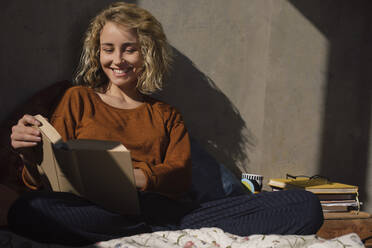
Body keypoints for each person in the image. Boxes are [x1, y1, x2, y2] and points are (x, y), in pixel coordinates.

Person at [7, 2, 324, 246]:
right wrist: (29, 156)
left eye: (129, 49)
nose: (117, 59)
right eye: (108, 49)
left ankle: (159, 232)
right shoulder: (78, 99)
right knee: (29, 209)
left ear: (146, 53)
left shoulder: (166, 115)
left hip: (170, 212)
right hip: (98, 210)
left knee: (305, 204)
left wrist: (136, 178)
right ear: (97, 53)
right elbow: (50, 174)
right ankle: (158, 235)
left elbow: (179, 177)